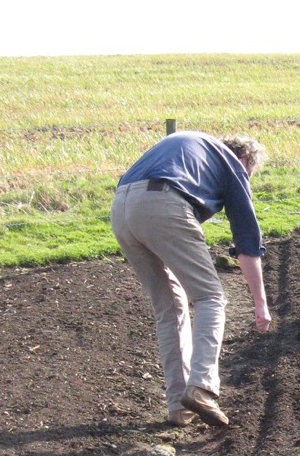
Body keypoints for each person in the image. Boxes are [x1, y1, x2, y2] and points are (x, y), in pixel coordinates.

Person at [110, 130, 271, 428]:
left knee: (169, 307)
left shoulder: (193, 149)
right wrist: (261, 304)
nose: (246, 180)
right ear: (245, 158)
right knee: (210, 297)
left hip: (121, 208)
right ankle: (202, 386)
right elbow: (247, 239)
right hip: (163, 203)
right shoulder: (232, 164)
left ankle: (178, 407)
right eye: (250, 173)